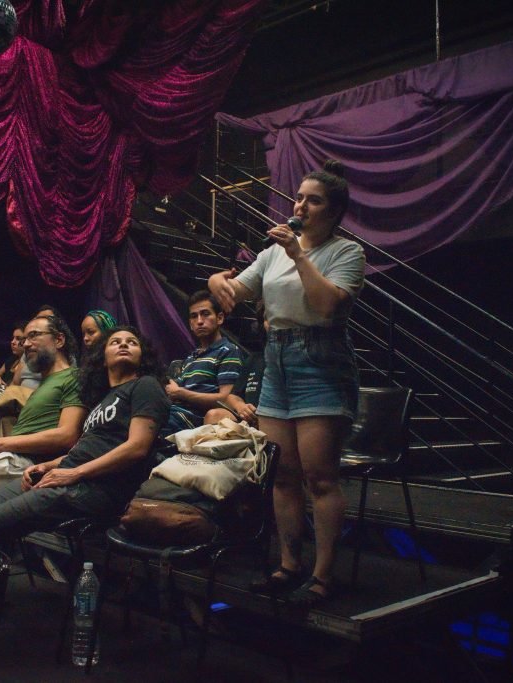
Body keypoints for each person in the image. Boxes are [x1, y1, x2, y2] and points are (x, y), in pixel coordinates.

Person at [208, 160, 365, 606]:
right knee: (282, 475)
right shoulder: (273, 251)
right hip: (276, 358)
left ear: (334, 212)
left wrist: (298, 255)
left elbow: (326, 306)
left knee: (320, 477)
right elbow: (234, 293)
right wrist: (218, 280)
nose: (300, 205)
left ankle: (322, 576)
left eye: (313, 200)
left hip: (320, 358)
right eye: (298, 197)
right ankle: (288, 564)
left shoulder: (346, 253)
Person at [0, 326, 170, 544]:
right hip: (67, 476)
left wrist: (75, 473)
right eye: (115, 342)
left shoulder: (145, 386)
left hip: (93, 488)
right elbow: (87, 450)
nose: (123, 344)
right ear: (103, 359)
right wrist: (47, 466)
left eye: (132, 342)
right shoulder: (102, 400)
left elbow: (137, 447)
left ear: (143, 357)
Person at [0, 315, 86, 483]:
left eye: (33, 335)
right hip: (9, 458)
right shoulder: (44, 384)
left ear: (59, 340)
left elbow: (67, 435)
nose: (25, 344)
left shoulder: (73, 377)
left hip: (28, 465)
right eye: (24, 339)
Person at [163, 291, 242, 435]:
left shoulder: (228, 350)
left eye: (205, 314)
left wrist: (181, 393)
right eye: (194, 316)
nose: (199, 321)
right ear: (190, 324)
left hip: (196, 419)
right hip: (175, 413)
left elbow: (226, 399)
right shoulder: (190, 358)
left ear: (219, 318)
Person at [204, 303, 267, 428]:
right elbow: (232, 396)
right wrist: (241, 407)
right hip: (248, 421)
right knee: (214, 415)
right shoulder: (255, 359)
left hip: (273, 417)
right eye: (268, 318)